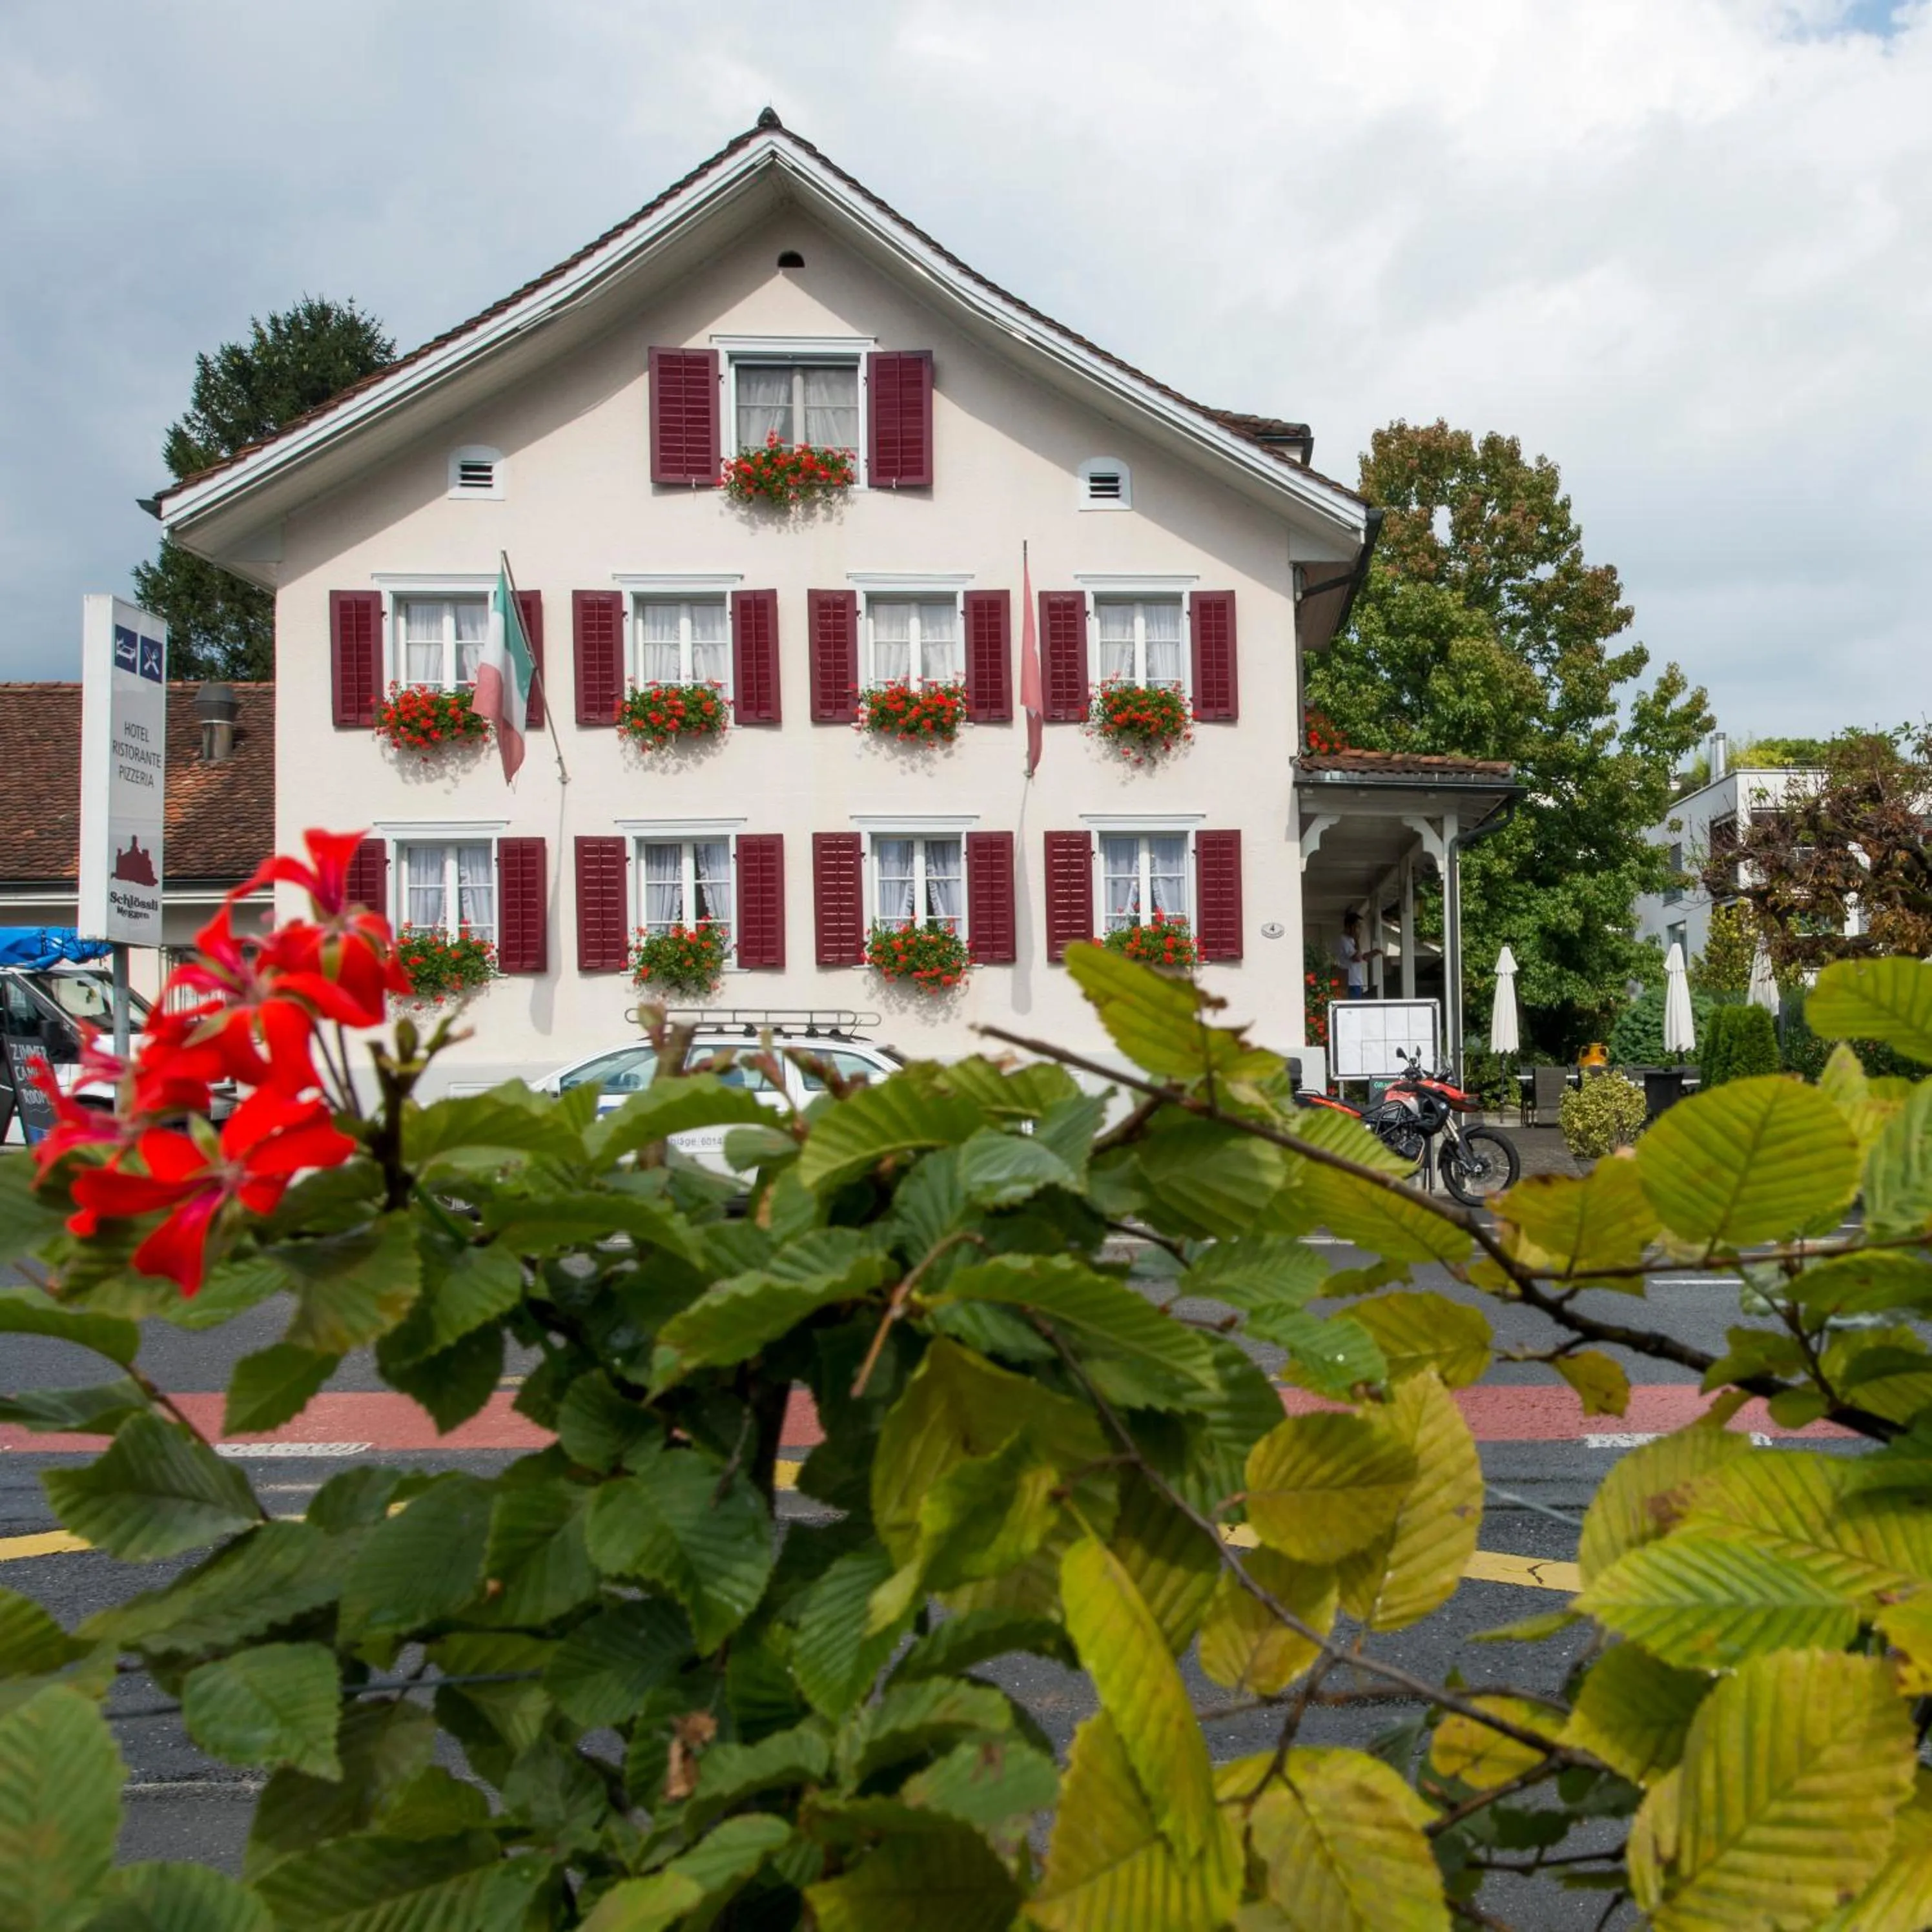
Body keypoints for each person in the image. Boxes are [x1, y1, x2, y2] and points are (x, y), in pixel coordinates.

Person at [1335, 910, 1380, 998]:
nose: (1360, 930)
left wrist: (1376, 952)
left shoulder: (1350, 940)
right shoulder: (1343, 940)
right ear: (1349, 926)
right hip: (1350, 983)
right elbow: (1357, 958)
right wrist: (1357, 940)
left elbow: (1363, 956)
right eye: (1358, 927)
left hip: (1356, 982)